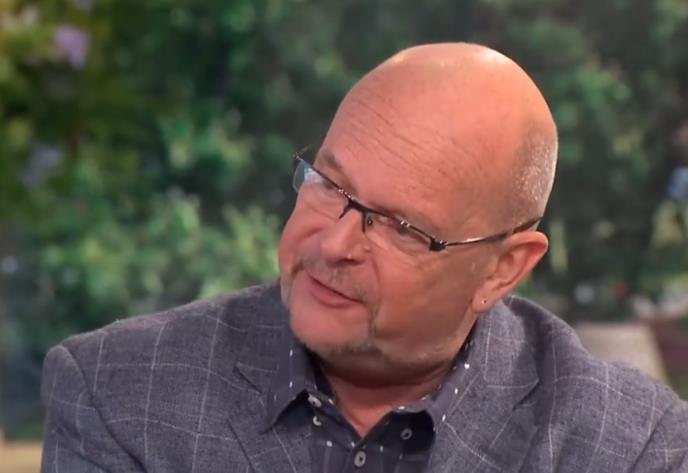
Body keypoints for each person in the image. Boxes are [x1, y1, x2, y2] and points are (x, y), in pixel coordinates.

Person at [41, 43, 688, 473]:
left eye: (401, 227)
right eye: (329, 185)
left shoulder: (628, 445)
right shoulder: (119, 393)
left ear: (503, 268)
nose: (333, 244)